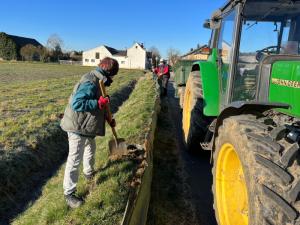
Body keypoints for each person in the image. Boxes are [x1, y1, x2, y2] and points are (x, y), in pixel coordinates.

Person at [60, 57, 119, 208]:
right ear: (108, 72)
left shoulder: (100, 82)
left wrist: (108, 119)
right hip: (77, 127)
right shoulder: (90, 81)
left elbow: (101, 106)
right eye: (113, 76)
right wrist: (98, 103)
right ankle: (69, 193)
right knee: (75, 159)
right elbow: (77, 103)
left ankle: (89, 173)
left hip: (87, 127)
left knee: (90, 149)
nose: (112, 79)